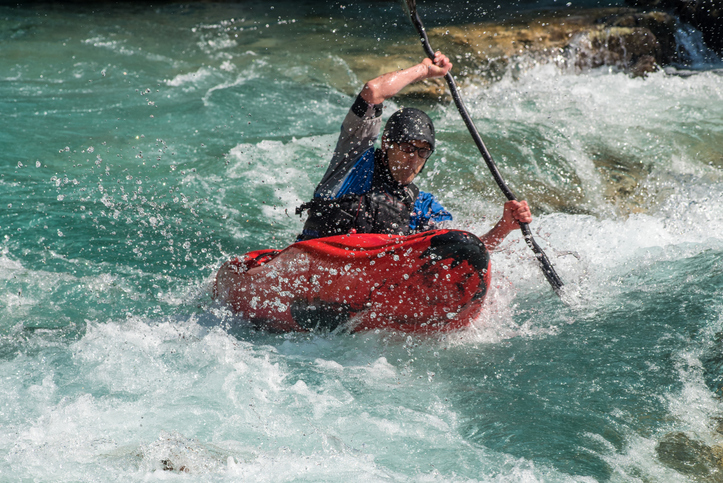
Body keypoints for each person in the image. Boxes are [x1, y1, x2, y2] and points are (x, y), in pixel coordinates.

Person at [296, 51, 531, 252]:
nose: (414, 159)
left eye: (423, 152)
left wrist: (503, 227)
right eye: (408, 148)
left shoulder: (422, 206)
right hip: (316, 264)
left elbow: (460, 254)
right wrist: (424, 70)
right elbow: (373, 91)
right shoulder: (354, 159)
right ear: (386, 143)